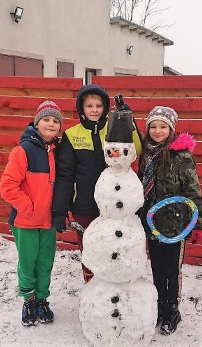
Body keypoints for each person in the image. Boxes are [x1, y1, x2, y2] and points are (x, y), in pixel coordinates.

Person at [52, 84, 142, 283]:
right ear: (81, 108)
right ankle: (93, 292)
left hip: (113, 207)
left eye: (99, 105)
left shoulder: (113, 128)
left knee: (114, 250)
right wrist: (60, 210)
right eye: (89, 106)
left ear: (105, 107)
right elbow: (65, 175)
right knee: (91, 252)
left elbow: (136, 150)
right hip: (84, 206)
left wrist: (128, 121)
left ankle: (112, 293)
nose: (94, 110)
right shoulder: (71, 134)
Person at [138, 105, 202, 335]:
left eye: (163, 126)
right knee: (156, 267)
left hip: (175, 225)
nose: (157, 131)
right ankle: (160, 305)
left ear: (171, 129)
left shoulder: (182, 156)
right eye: (153, 126)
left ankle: (173, 309)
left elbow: (193, 191)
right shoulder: (146, 153)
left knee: (171, 269)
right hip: (152, 224)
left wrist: (198, 223)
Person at [0, 100, 63, 326]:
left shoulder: (58, 151)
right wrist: (28, 208)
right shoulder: (22, 151)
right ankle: (29, 300)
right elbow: (8, 187)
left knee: (45, 262)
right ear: (37, 123)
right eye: (46, 119)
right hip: (25, 221)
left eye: (56, 121)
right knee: (27, 262)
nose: (51, 124)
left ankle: (42, 299)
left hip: (48, 222)